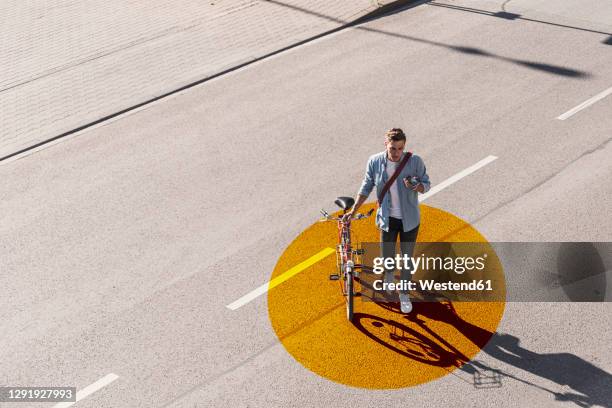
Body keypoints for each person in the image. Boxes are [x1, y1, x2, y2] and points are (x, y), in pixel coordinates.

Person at [343, 128, 431, 313]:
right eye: (393, 148)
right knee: (387, 257)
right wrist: (353, 211)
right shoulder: (375, 162)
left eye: (400, 148)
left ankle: (404, 295)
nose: (396, 153)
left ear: (404, 146)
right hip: (387, 220)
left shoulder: (415, 161)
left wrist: (416, 186)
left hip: (410, 221)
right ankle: (389, 276)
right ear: (386, 145)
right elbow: (366, 187)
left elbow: (427, 185)